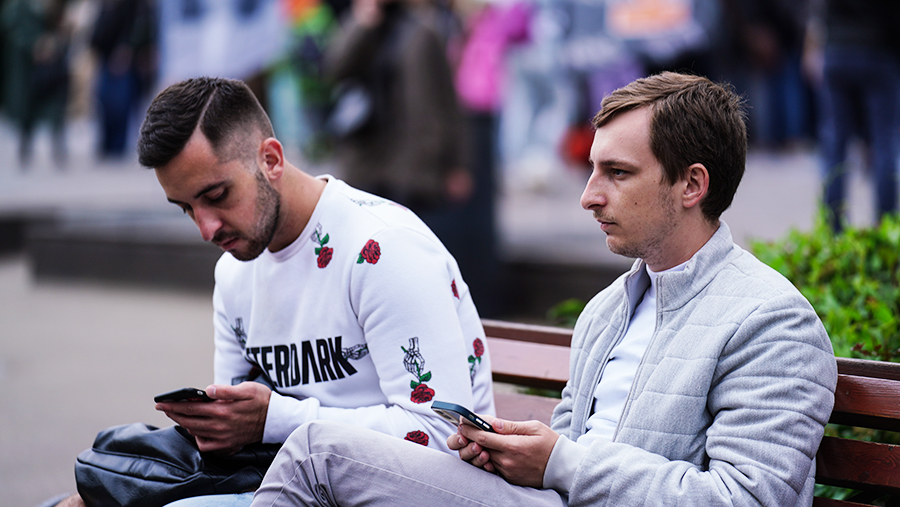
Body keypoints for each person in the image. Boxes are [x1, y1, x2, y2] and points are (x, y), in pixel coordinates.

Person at [245, 72, 838, 507]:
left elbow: (749, 499)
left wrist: (561, 462)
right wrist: (512, 456)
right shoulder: (608, 310)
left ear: (692, 185)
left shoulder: (771, 321)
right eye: (591, 170)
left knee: (320, 452)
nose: (588, 196)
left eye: (618, 173)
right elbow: (565, 459)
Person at [56, 76, 493, 507]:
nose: (206, 228)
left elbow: (440, 435)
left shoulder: (382, 249)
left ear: (271, 159)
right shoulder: (234, 273)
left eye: (217, 195)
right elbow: (234, 442)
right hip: (283, 485)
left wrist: (272, 420)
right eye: (187, 208)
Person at [806, 0, 900, 231]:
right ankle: (886, 226)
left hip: (838, 50)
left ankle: (833, 228)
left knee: (834, 142)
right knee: (884, 141)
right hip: (878, 51)